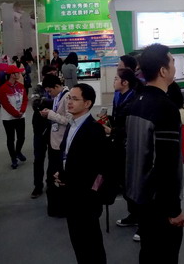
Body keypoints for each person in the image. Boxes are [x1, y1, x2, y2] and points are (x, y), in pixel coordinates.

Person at [125, 43, 184, 264]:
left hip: (140, 198)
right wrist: (174, 210)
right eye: (172, 62)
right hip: (159, 204)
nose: (174, 67)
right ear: (162, 70)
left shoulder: (136, 102)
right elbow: (166, 164)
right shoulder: (166, 107)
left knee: (148, 253)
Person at [55, 84, 107, 264]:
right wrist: (62, 174)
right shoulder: (72, 125)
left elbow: (101, 169)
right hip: (71, 195)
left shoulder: (94, 129)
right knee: (78, 243)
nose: (69, 102)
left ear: (87, 103)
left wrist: (93, 193)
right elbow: (69, 156)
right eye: (69, 98)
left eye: (75, 99)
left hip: (86, 199)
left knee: (91, 245)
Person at [111, 68, 140, 239]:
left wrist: (113, 130)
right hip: (120, 145)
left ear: (125, 82)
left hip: (132, 146)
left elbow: (132, 127)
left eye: (116, 78)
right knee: (125, 182)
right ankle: (133, 215)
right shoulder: (119, 96)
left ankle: (144, 222)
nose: (114, 81)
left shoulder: (134, 100)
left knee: (136, 184)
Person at [40, 74, 70, 217]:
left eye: (50, 91)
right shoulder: (58, 97)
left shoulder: (67, 97)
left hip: (61, 142)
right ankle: (55, 205)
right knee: (52, 175)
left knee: (58, 175)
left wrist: (50, 115)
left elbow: (68, 120)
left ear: (57, 86)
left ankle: (61, 207)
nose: (49, 94)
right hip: (54, 140)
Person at [30, 65, 57, 199]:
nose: (54, 76)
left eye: (55, 74)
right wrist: (52, 102)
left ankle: (51, 183)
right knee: (38, 159)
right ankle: (38, 186)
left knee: (54, 158)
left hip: (54, 128)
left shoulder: (58, 87)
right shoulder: (38, 88)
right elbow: (35, 103)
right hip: (40, 129)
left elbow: (62, 104)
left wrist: (45, 103)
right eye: (51, 74)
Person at [0, 65, 28, 168]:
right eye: (17, 72)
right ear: (12, 75)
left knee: (21, 137)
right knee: (10, 139)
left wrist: (22, 111)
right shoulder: (3, 88)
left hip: (20, 116)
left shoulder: (21, 86)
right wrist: (15, 113)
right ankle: (13, 158)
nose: (19, 74)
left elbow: (25, 99)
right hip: (8, 118)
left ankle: (18, 151)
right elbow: (5, 103)